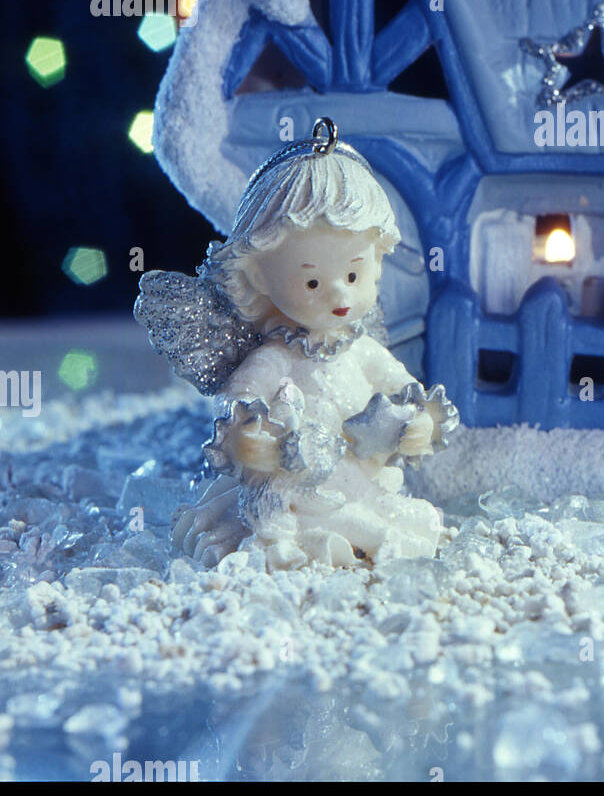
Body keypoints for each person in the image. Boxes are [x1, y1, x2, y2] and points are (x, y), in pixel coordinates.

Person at [135, 118, 458, 570]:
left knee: (386, 515)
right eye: (312, 280)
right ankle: (314, 541)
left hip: (359, 479)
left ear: (377, 264)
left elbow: (406, 393)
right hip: (294, 485)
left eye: (353, 275)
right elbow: (240, 401)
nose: (340, 295)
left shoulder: (363, 352)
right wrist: (250, 441)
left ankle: (369, 534)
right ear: (258, 275)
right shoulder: (274, 358)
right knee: (285, 514)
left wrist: (416, 424)